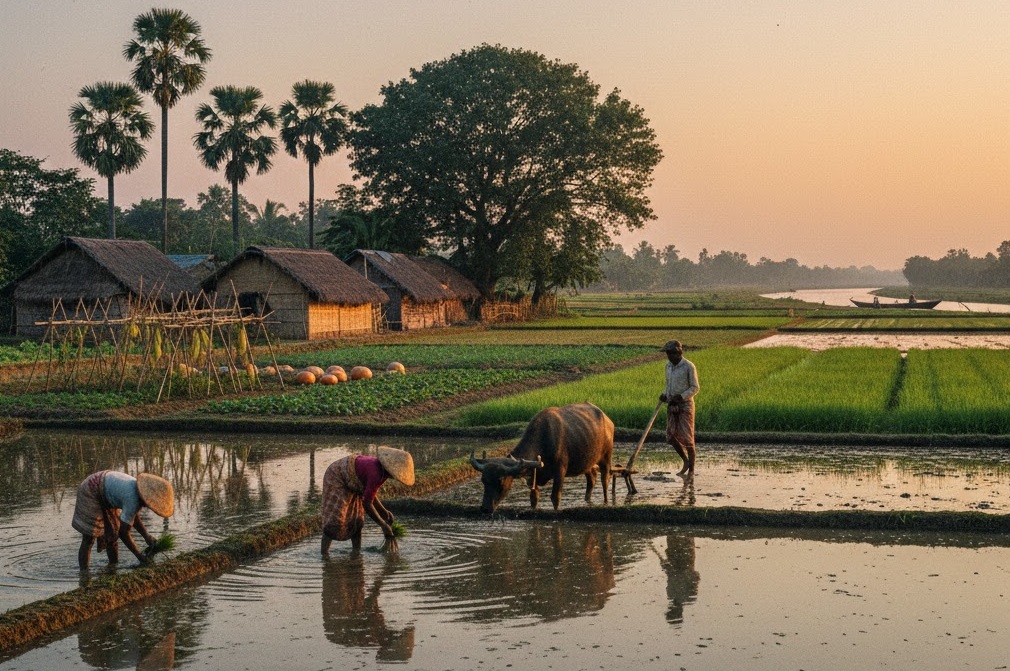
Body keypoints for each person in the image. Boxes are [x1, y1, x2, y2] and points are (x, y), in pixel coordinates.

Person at [321, 446, 415, 555]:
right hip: (337, 477)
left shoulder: (382, 473)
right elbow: (367, 503)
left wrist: (384, 512)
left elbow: (370, 494)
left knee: (357, 520)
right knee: (335, 520)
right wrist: (382, 524)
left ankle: (356, 553)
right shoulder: (376, 473)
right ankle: (324, 555)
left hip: (353, 482)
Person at [72, 471, 175, 570]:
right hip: (91, 489)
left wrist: (146, 536)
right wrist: (139, 556)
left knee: (112, 536)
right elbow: (123, 533)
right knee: (89, 539)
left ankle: (112, 568)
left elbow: (133, 517)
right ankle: (84, 576)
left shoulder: (137, 491)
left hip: (106, 490)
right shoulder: (133, 498)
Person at [659, 340, 700, 477]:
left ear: (678, 352)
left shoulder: (688, 366)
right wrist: (665, 394)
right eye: (667, 353)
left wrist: (681, 397)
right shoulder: (668, 367)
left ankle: (692, 469)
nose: (668, 356)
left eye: (670, 353)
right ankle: (685, 461)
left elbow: (695, 388)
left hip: (685, 405)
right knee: (670, 437)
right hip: (672, 405)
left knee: (688, 438)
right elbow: (668, 385)